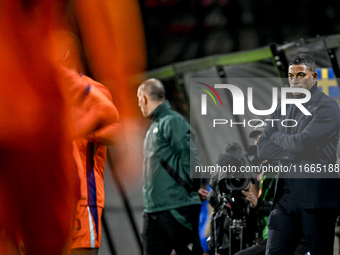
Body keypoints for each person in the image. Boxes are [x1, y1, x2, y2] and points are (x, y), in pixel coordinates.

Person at [257, 54, 340, 255]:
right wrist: (293, 152)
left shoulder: (328, 107)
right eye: (290, 75)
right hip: (284, 198)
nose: (294, 80)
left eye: (300, 74)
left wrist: (276, 136)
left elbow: (301, 143)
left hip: (316, 200)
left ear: (314, 76)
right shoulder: (281, 107)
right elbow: (261, 147)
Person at [54, 31, 120, 255]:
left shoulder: (94, 91)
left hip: (82, 198)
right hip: (47, 199)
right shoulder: (43, 93)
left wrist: (81, 128)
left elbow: (115, 130)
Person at [137, 78, 204, 255]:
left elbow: (191, 158)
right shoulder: (155, 126)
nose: (138, 105)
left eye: (138, 100)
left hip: (176, 207)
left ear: (144, 98)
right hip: (154, 210)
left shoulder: (172, 121)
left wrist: (193, 188)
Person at [236, 123, 308, 255]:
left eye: (262, 138)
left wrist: (259, 204)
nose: (258, 143)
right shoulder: (264, 170)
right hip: (267, 235)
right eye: (256, 139)